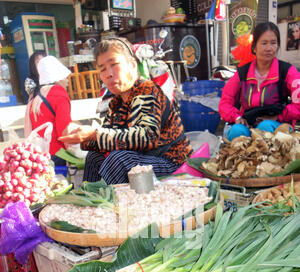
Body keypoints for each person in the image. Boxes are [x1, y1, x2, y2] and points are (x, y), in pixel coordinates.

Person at [59, 37, 192, 184]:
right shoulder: (116, 102)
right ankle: (90, 198)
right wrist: (82, 137)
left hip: (170, 159)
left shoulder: (147, 90)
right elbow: (108, 139)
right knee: (95, 156)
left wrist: (94, 134)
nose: (108, 73)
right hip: (144, 157)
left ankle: (113, 204)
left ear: (132, 66)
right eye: (102, 69)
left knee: (120, 160)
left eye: (114, 64)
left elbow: (146, 136)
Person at [219, 21, 300, 141]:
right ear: (254, 47)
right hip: (249, 124)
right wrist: (236, 117)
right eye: (264, 43)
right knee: (237, 131)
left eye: (273, 43)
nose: (269, 48)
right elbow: (225, 102)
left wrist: (279, 116)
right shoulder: (242, 73)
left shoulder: (287, 71)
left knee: (265, 127)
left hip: (278, 126)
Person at [24, 55, 72, 166]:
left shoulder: (35, 96)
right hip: (58, 154)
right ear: (58, 78)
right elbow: (64, 129)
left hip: (38, 155)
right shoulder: (59, 93)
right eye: (65, 77)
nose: (67, 81)